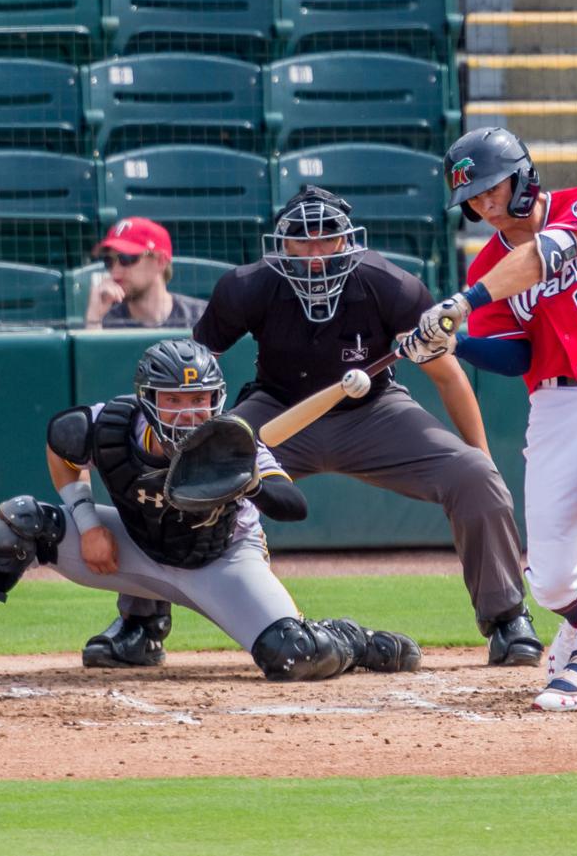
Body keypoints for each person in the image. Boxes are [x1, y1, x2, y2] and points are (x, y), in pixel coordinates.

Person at [89, 185, 542, 671]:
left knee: (473, 476)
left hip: (375, 412)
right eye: (301, 241)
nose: (315, 252)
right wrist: (194, 445)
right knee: (179, 476)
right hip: (277, 411)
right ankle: (142, 625)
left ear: (349, 240)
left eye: (326, 238)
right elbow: (192, 368)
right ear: (281, 245)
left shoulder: (390, 284)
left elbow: (448, 374)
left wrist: (482, 459)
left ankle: (507, 620)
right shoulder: (247, 286)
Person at [0, 338, 421, 684]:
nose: (189, 412)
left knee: (292, 658)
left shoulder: (234, 441)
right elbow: (60, 444)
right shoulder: (107, 423)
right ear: (148, 399)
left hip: (219, 560)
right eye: (176, 400)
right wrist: (86, 518)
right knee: (18, 520)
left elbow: (292, 507)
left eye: (200, 400)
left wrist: (245, 476)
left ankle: (352, 639)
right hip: (134, 547)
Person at [399, 127, 577, 712]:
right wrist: (454, 347)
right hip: (555, 407)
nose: (483, 204)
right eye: (472, 198)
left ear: (522, 176)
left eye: (491, 188)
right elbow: (517, 352)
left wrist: (462, 306)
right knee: (547, 577)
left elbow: (544, 254)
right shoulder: (488, 264)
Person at [84, 217, 207, 329]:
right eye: (109, 261)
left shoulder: (202, 318)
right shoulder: (104, 323)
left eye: (126, 258)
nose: (115, 270)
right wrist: (94, 319)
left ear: (160, 261)